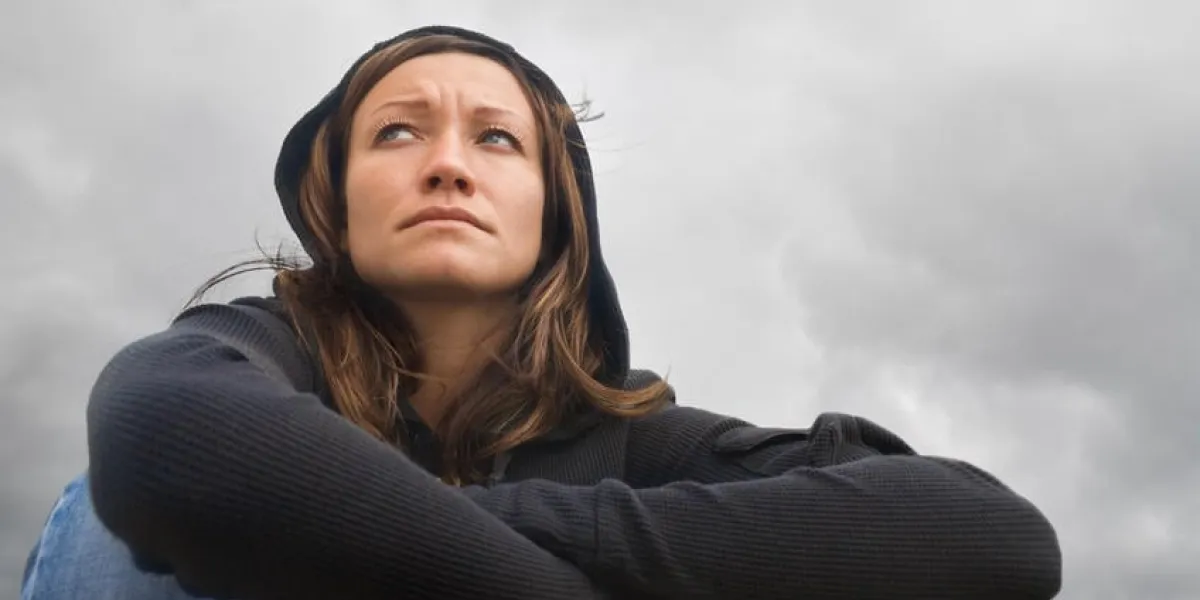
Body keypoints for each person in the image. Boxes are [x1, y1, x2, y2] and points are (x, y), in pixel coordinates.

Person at [21, 25, 1062, 600]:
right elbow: (168, 440)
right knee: (109, 521)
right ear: (338, 205)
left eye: (496, 140)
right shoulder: (257, 349)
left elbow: (991, 537)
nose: (444, 166)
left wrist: (447, 532)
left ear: (554, 215)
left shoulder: (630, 444)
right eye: (394, 134)